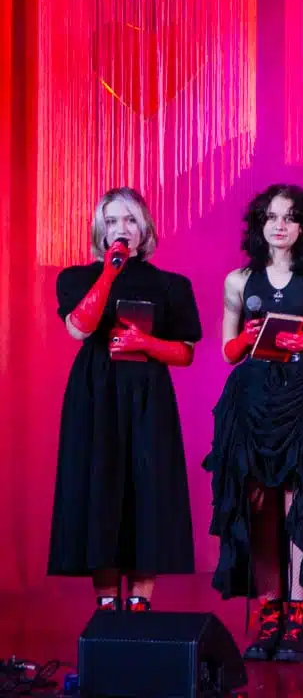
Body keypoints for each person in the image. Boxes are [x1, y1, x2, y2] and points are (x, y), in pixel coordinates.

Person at [205, 184, 303, 664]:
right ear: (259, 224)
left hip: (302, 398)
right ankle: (269, 615)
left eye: (289, 217)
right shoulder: (238, 280)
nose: (279, 225)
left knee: (299, 508)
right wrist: (247, 339)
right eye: (271, 216)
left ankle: (297, 617)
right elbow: (227, 353)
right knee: (260, 510)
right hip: (252, 400)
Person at [49, 187, 202, 612]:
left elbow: (185, 352)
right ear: (100, 229)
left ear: (145, 228)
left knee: (146, 489)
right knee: (99, 486)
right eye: (113, 220)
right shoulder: (75, 278)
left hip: (147, 394)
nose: (122, 228)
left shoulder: (171, 285)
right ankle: (105, 601)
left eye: (131, 220)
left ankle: (139, 601)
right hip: (96, 393)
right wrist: (109, 273)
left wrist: (145, 343)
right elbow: (79, 328)